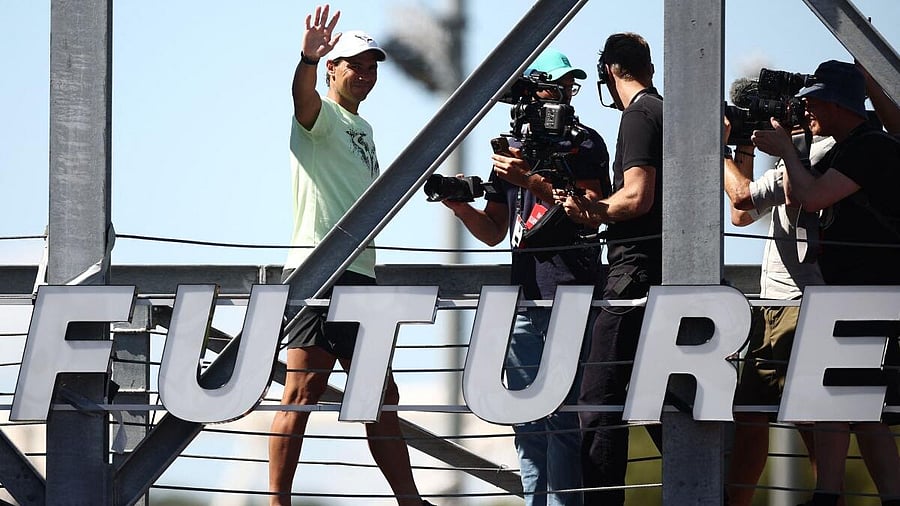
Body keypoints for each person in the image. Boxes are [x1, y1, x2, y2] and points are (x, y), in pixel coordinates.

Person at [267, 5, 434, 506]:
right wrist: (306, 58)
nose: (364, 73)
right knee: (302, 391)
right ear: (332, 69)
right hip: (319, 273)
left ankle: (410, 500)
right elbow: (301, 99)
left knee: (381, 397)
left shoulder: (365, 129)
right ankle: (278, 501)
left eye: (371, 66)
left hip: (360, 275)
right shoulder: (320, 115)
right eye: (354, 64)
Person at [723, 60, 900, 506]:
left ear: (835, 102)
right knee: (854, 413)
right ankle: (833, 495)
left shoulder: (850, 149)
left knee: (839, 412)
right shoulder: (847, 147)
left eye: (812, 99)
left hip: (843, 297)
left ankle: (829, 495)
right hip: (843, 296)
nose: (805, 108)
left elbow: (800, 196)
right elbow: (742, 213)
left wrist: (732, 148)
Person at [441, 48, 611, 506]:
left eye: (569, 86)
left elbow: (591, 212)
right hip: (523, 301)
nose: (563, 94)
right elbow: (496, 231)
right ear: (532, 89)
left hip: (574, 297)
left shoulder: (586, 142)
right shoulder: (509, 147)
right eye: (554, 86)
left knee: (565, 425)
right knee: (528, 425)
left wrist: (531, 178)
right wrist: (459, 206)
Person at [553, 32, 663, 505]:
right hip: (671, 274)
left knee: (598, 403)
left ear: (612, 71)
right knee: (664, 402)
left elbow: (637, 197)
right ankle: (710, 488)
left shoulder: (638, 113)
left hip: (635, 273)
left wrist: (590, 212)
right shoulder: (666, 109)